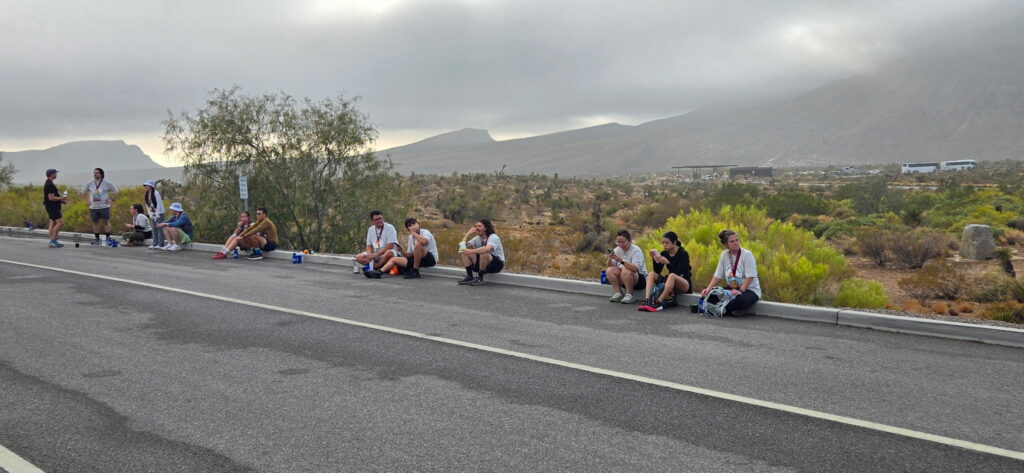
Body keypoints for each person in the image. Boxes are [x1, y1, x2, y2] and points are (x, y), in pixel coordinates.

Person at [700, 229, 761, 316]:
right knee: (710, 295)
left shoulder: (747, 255)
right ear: (726, 244)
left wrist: (740, 290)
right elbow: (717, 275)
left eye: (737, 240)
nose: (736, 243)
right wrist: (708, 289)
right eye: (732, 241)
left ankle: (722, 309)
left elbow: (750, 276)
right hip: (731, 289)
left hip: (749, 290)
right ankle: (729, 310)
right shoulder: (724, 255)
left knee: (739, 300)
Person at [638, 231, 692, 312]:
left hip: (683, 283)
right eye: (663, 243)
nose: (664, 245)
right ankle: (648, 300)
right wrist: (655, 259)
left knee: (672, 275)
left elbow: (679, 273)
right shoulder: (664, 253)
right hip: (670, 282)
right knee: (652, 274)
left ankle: (658, 302)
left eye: (667, 243)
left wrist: (667, 263)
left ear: (674, 242)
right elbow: (657, 271)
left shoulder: (683, 254)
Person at [213, 207, 278, 260]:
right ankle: (224, 253)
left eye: (259, 214)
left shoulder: (266, 221)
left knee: (252, 235)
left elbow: (255, 230)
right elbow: (249, 229)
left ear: (264, 214)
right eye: (256, 214)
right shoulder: (259, 221)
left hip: (271, 244)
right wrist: (241, 235)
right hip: (262, 243)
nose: (257, 215)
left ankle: (258, 253)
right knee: (236, 238)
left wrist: (244, 236)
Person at [459, 218, 505, 286]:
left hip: (496, 265)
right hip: (482, 264)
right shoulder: (478, 238)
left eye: (479, 226)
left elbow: (487, 249)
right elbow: (462, 246)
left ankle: (480, 278)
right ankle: (469, 276)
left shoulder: (493, 237)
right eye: (476, 226)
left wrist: (470, 251)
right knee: (464, 252)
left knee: (483, 252)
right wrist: (468, 234)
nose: (477, 228)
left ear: (486, 228)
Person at [605, 229, 647, 304]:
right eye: (618, 242)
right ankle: (618, 293)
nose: (620, 244)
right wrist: (610, 258)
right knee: (609, 270)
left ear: (629, 241)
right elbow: (608, 267)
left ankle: (629, 294)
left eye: (623, 242)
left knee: (626, 268)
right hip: (624, 279)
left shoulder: (636, 250)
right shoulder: (617, 250)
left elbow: (635, 268)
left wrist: (621, 261)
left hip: (639, 280)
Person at [355, 210, 399, 278]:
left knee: (389, 253)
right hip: (376, 253)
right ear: (372, 221)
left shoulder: (390, 228)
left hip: (386, 253)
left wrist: (377, 254)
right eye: (376, 219)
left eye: (380, 218)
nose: (379, 221)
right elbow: (369, 245)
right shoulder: (371, 229)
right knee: (358, 257)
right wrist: (370, 254)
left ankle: (376, 267)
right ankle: (375, 267)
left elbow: (391, 245)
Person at [81, 167, 118, 245]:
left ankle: (107, 238)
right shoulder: (90, 183)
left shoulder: (107, 183)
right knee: (95, 222)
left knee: (105, 221)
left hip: (104, 206)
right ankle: (97, 239)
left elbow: (116, 191)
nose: (95, 174)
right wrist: (87, 200)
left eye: (97, 173)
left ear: (101, 174)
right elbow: (83, 192)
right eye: (94, 173)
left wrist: (111, 199)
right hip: (93, 207)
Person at [42, 168, 68, 248]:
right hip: (52, 207)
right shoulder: (49, 185)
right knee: (60, 223)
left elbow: (51, 197)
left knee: (53, 222)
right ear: (52, 174)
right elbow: (51, 198)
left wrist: (60, 201)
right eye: (55, 173)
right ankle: (53, 240)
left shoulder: (48, 183)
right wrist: (61, 198)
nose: (56, 174)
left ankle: (52, 241)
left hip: (50, 206)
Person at [143, 180, 166, 249]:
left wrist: (157, 214)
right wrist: (150, 214)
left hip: (159, 213)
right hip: (152, 213)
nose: (146, 186)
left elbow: (159, 204)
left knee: (159, 228)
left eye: (147, 185)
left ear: (151, 186)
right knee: (154, 228)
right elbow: (147, 205)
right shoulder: (147, 194)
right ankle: (154, 243)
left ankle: (160, 243)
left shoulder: (156, 193)